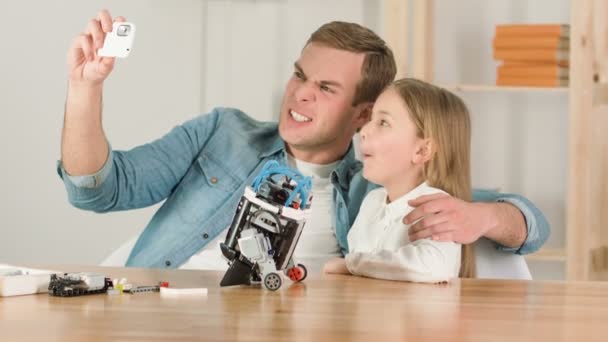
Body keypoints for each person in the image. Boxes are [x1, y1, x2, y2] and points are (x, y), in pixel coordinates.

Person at [58, 9, 549, 272]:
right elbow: (98, 190)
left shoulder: (377, 188)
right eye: (300, 75)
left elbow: (530, 222)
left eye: (325, 88)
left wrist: (485, 216)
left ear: (363, 113)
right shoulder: (222, 133)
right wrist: (85, 89)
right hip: (155, 318)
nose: (299, 95)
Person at [323, 78, 475, 282]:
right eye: (371, 120)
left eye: (383, 122)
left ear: (422, 150)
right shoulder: (372, 202)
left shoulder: (437, 208)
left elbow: (433, 266)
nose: (365, 131)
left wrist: (352, 265)